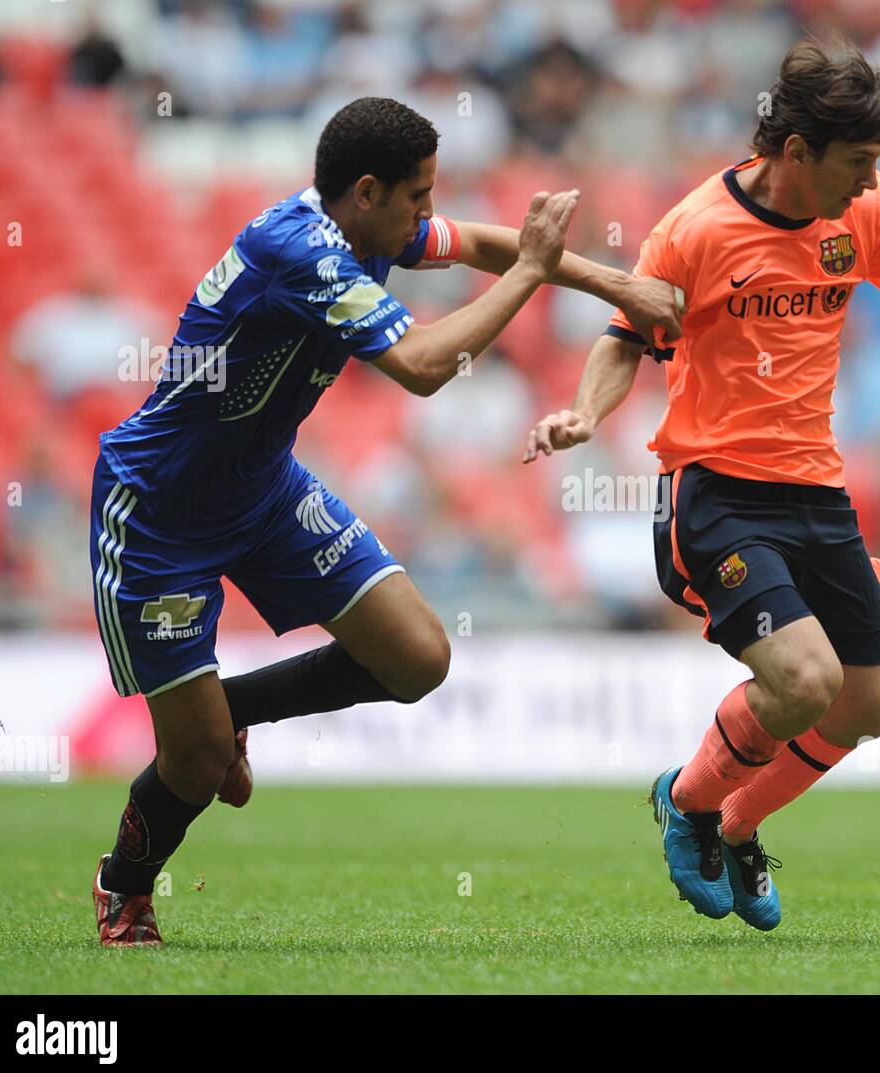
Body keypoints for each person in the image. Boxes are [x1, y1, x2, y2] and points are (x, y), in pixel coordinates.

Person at [523, 38, 880, 931]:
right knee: (804, 679)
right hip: (715, 491)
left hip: (815, 493)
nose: (873, 182)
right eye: (859, 163)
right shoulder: (696, 229)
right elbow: (625, 336)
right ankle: (687, 801)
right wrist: (587, 415)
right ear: (796, 152)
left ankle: (739, 823)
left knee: (865, 706)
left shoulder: (867, 215)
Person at [90, 96, 681, 947]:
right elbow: (421, 366)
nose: (427, 218)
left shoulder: (369, 229)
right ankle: (126, 884)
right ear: (365, 192)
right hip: (158, 514)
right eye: (418, 198)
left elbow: (480, 243)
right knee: (193, 761)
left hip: (261, 491)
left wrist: (618, 284)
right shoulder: (301, 252)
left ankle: (232, 713)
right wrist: (533, 275)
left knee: (416, 656)